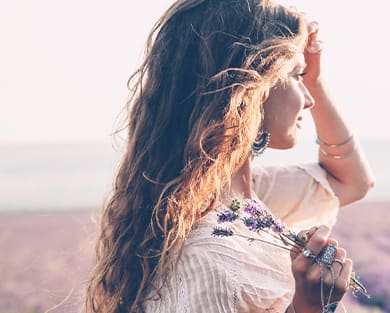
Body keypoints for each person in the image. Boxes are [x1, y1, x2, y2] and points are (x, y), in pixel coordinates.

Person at [84, 0, 375, 312]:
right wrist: (309, 307)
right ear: (250, 88)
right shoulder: (210, 255)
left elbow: (353, 182)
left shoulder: (240, 200)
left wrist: (315, 79)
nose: (308, 100)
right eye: (296, 76)